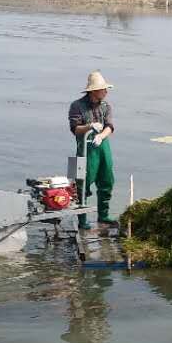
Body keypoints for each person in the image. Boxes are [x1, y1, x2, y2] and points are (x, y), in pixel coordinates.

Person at [69, 70, 117, 229]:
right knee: (80, 183)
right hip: (83, 148)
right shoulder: (77, 105)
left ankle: (103, 216)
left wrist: (101, 136)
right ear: (94, 91)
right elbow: (75, 129)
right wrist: (89, 127)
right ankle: (82, 220)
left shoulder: (106, 106)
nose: (106, 91)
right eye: (103, 89)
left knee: (107, 179)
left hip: (102, 146)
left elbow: (110, 126)